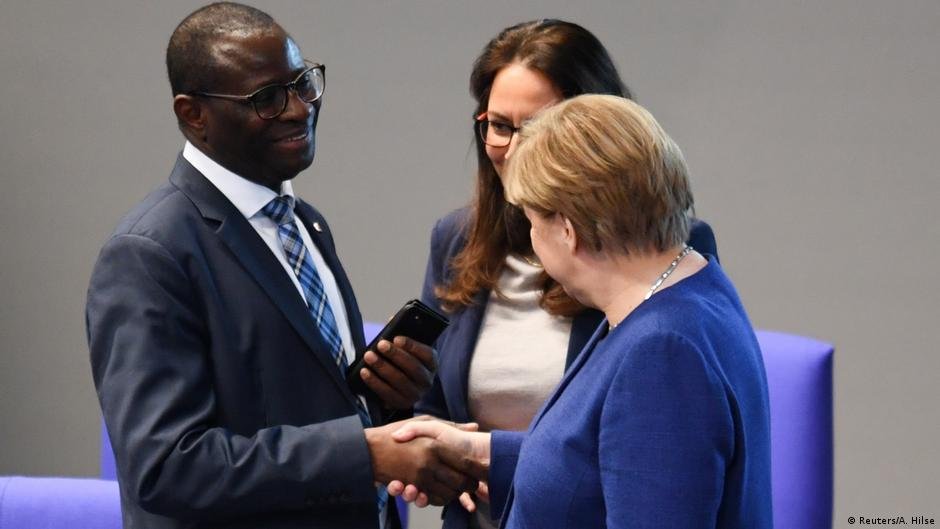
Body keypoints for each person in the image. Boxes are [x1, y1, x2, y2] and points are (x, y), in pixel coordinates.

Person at [86, 3, 478, 529]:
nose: (298, 109)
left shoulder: (302, 223)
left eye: (302, 84)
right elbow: (166, 468)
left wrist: (389, 403)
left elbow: (314, 407)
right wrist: (366, 452)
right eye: (266, 99)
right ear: (193, 115)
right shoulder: (148, 255)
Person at [394, 94, 773, 528]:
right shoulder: (689, 287)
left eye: (533, 222)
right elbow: (604, 464)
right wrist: (479, 452)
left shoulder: (661, 354)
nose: (532, 237)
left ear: (567, 231)